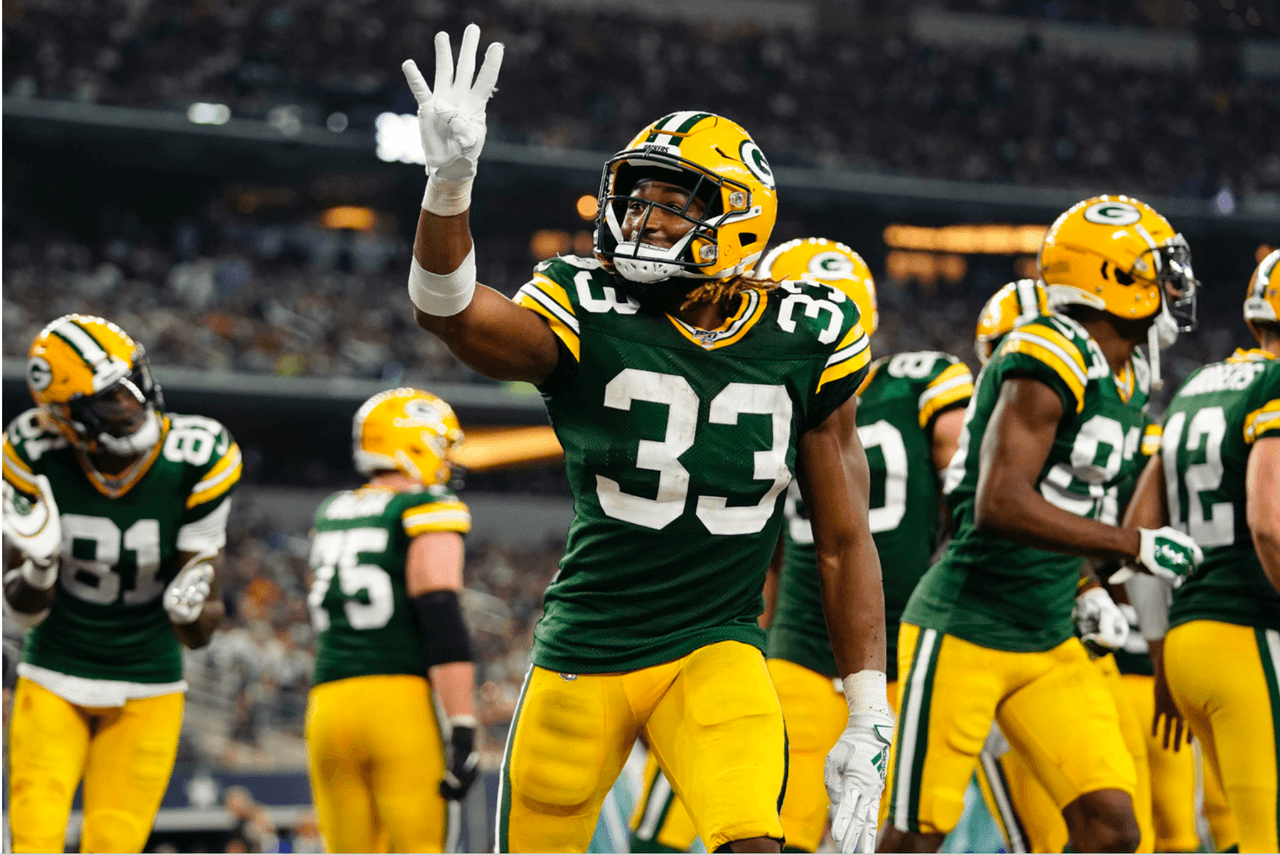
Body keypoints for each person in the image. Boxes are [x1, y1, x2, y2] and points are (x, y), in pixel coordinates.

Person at [401, 25, 892, 853]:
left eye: (675, 202)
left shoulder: (807, 331)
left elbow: (842, 537)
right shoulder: (586, 303)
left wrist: (869, 705)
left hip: (716, 646)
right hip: (583, 651)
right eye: (636, 198)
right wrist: (449, 184)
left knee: (754, 842)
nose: (643, 217)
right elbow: (447, 310)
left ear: (740, 218)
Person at [880, 196, 1205, 854]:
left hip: (1047, 633)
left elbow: (1073, 506)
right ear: (1109, 278)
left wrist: (1091, 582)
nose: (1172, 285)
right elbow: (1000, 502)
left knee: (1110, 824)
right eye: (1154, 268)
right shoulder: (1048, 351)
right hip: (965, 626)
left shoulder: (1130, 371)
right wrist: (1133, 545)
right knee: (915, 837)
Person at [2, 314, 239, 853]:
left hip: (149, 681)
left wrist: (190, 607)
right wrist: (38, 566)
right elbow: (25, 612)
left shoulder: (197, 455)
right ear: (66, 416)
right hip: (54, 673)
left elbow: (202, 631)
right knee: (33, 837)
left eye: (134, 380)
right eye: (110, 398)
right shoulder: (31, 450)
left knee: (114, 842)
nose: (134, 403)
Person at [1122, 248, 1280, 853]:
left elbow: (1142, 536)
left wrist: (1162, 658)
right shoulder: (1273, 384)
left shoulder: (1196, 387)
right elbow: (1268, 524)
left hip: (1188, 645)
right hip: (1250, 633)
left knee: (1238, 835)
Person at [304, 387, 479, 853]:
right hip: (397, 705)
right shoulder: (424, 507)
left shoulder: (331, 513)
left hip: (327, 704)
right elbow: (441, 616)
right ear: (416, 443)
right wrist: (462, 721)